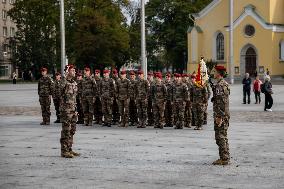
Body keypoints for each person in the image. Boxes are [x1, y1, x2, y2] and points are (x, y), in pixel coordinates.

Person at [210, 65, 230, 165]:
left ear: (218, 73)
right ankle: (225, 157)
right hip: (225, 114)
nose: (213, 73)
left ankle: (224, 159)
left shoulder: (219, 85)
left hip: (221, 114)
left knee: (220, 136)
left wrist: (219, 116)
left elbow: (221, 101)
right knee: (224, 136)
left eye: (214, 71)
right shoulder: (224, 83)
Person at [60, 64, 80, 158]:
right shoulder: (63, 82)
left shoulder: (74, 82)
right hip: (66, 110)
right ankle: (64, 151)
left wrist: (76, 110)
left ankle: (69, 149)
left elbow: (74, 98)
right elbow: (59, 92)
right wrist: (64, 76)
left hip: (73, 110)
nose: (74, 72)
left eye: (74, 71)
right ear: (67, 72)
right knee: (66, 130)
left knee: (72, 130)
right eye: (72, 70)